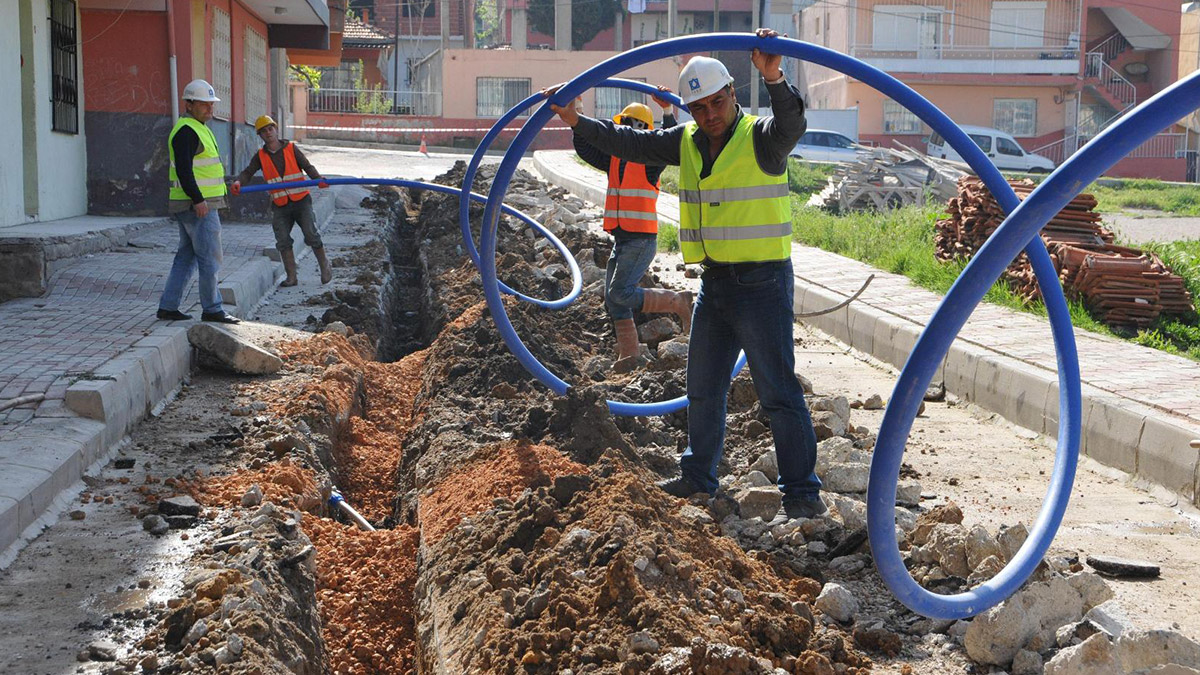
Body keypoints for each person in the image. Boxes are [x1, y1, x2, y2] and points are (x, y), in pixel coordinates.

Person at [549, 29, 826, 519]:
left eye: (716, 102)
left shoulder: (761, 138)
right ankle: (699, 477)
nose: (709, 114)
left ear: (732, 95)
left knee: (779, 393)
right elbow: (629, 142)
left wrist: (774, 78)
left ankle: (802, 495)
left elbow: (792, 122)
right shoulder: (688, 142)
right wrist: (576, 121)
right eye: (699, 108)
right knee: (702, 386)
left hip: (762, 284)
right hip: (715, 284)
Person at [571, 90, 692, 372]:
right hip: (623, 238)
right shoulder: (615, 158)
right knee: (614, 299)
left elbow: (670, 143)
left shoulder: (650, 161)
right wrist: (577, 114)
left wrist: (667, 113)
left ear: (641, 129)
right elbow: (586, 149)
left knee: (620, 293)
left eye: (630, 124)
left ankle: (678, 302)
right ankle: (629, 356)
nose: (625, 130)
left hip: (640, 240)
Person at [157, 79, 239, 324]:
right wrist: (198, 199)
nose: (210, 108)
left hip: (194, 204)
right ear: (189, 104)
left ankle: (168, 306)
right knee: (210, 257)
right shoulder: (187, 131)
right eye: (204, 104)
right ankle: (212, 308)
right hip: (198, 206)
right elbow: (185, 170)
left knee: (187, 256)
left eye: (211, 104)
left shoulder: (196, 128)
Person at [231, 116, 332, 287]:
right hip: (280, 205)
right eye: (264, 131)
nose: (268, 133)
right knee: (283, 240)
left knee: (311, 234)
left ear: (276, 129)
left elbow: (307, 166)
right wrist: (238, 182)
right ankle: (291, 277)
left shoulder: (291, 148)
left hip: (301, 201)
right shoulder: (260, 156)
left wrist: (318, 179)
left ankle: (325, 266)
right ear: (260, 135)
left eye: (270, 129)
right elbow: (248, 172)